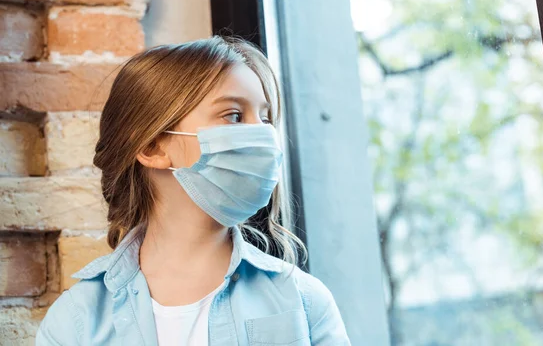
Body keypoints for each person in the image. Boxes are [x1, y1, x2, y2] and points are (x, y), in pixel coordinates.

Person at [36, 37, 350, 345]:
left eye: (265, 118)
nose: (263, 134)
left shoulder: (305, 302)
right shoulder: (73, 323)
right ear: (152, 146)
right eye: (234, 116)